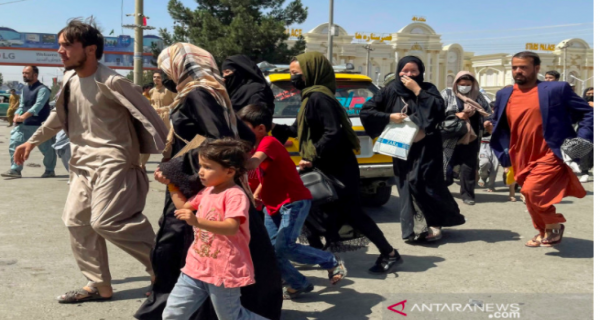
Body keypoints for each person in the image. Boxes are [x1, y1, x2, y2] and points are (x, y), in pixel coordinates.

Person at [13, 20, 168, 303]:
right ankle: (98, 285)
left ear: (91, 49)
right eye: (59, 45)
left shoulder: (113, 81)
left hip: (116, 162)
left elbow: (152, 119)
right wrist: (31, 141)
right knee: (75, 221)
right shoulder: (70, 81)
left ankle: (166, 271)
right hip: (82, 163)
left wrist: (170, 158)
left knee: (107, 221)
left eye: (67, 45)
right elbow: (58, 118)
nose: (60, 51)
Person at [136, 43, 282, 320]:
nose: (165, 74)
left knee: (178, 242)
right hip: (212, 180)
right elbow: (246, 138)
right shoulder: (214, 91)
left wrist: (177, 166)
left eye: (166, 67)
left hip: (201, 183)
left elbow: (221, 139)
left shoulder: (197, 93)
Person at [272, 52, 401, 274]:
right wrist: (268, 128)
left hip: (338, 167)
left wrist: (310, 156)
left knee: (352, 213)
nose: (293, 78)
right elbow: (296, 130)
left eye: (296, 73)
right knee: (315, 209)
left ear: (311, 72)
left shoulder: (319, 98)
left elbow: (332, 133)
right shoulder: (310, 97)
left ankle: (389, 253)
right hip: (326, 164)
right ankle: (322, 252)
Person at [239, 103, 347, 299]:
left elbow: (253, 164)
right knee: (272, 252)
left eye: (245, 127)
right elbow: (266, 174)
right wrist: (257, 195)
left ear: (261, 128)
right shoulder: (253, 145)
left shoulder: (268, 142)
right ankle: (298, 283)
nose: (241, 132)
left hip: (293, 201)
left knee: (284, 247)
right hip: (271, 206)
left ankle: (331, 261)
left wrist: (225, 157)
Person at [490, 51, 593, 247]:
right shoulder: (505, 93)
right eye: (514, 67)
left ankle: (554, 224)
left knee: (532, 191)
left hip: (550, 152)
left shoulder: (556, 89)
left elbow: (589, 112)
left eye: (523, 67)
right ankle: (542, 230)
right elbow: (499, 120)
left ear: (537, 69)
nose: (518, 71)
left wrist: (583, 139)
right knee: (527, 195)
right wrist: (490, 124)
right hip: (519, 154)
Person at [159, 139, 267, 320]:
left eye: (208, 167)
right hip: (195, 268)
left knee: (232, 317)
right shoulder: (207, 191)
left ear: (229, 172)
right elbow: (184, 207)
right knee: (172, 314)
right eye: (201, 166)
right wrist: (170, 184)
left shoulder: (234, 195)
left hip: (224, 271)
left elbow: (232, 227)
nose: (200, 172)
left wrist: (197, 221)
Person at [360, 56, 465, 243]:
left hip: (427, 148)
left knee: (425, 183)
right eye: (405, 71)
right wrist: (389, 116)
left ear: (420, 72)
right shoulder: (390, 90)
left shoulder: (428, 89)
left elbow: (437, 109)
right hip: (402, 149)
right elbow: (367, 111)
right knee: (407, 186)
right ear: (398, 70)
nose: (408, 75)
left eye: (413, 71)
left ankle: (435, 223)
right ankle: (415, 229)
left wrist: (417, 91)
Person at [441, 71, 492, 205]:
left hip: (472, 137)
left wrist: (486, 122)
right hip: (450, 137)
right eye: (462, 84)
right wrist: (457, 115)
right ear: (456, 83)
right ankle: (442, 190)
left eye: (468, 84)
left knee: (468, 167)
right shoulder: (447, 94)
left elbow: (487, 112)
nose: (465, 87)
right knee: (446, 165)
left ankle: (468, 194)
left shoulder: (478, 96)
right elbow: (438, 113)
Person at [2, 66, 57, 179]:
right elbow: (22, 105)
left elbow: (38, 106)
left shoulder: (43, 89)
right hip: (24, 126)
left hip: (39, 125)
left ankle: (50, 170)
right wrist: (17, 115)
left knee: (47, 150)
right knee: (14, 144)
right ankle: (15, 169)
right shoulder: (25, 89)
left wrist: (23, 116)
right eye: (23, 73)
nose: (24, 75)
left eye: (27, 73)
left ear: (35, 75)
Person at [141, 73, 177, 167]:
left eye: (158, 77)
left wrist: (166, 108)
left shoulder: (169, 90)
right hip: (153, 118)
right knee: (148, 140)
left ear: (162, 79)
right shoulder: (152, 91)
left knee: (167, 142)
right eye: (154, 77)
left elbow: (177, 102)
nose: (156, 79)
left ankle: (168, 163)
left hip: (166, 118)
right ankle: (140, 165)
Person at [478, 102, 499, 192]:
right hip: (484, 144)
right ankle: (482, 177)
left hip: (497, 145)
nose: (494, 110)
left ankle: (491, 185)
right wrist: (485, 126)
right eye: (493, 108)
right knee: (484, 163)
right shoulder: (485, 118)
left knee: (495, 166)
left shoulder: (502, 118)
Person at [578, 87, 594, 183]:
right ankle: (585, 172)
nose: (591, 95)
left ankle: (590, 166)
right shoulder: (581, 103)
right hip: (585, 129)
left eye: (593, 93)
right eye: (588, 93)